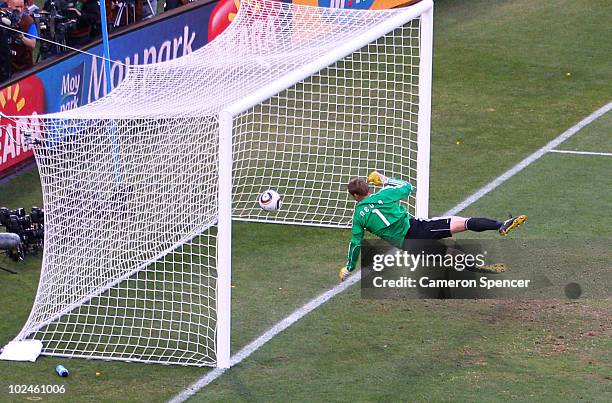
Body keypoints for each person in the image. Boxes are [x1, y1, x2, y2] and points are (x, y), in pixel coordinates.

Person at [338, 171, 527, 281]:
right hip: (418, 228)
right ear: (368, 189)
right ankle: (501, 226)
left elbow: (355, 244)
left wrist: (348, 267)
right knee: (464, 223)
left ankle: (485, 269)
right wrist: (384, 179)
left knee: (450, 255)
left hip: (408, 245)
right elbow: (407, 186)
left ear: (355, 196)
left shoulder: (358, 218)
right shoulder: (384, 195)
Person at [5, 0, 37, 72]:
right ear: (9, 5)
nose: (19, 10)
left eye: (21, 7)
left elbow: (32, 44)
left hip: (23, 67)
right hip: (5, 64)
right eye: (16, 7)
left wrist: (21, 37)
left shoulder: (29, 21)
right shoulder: (3, 16)